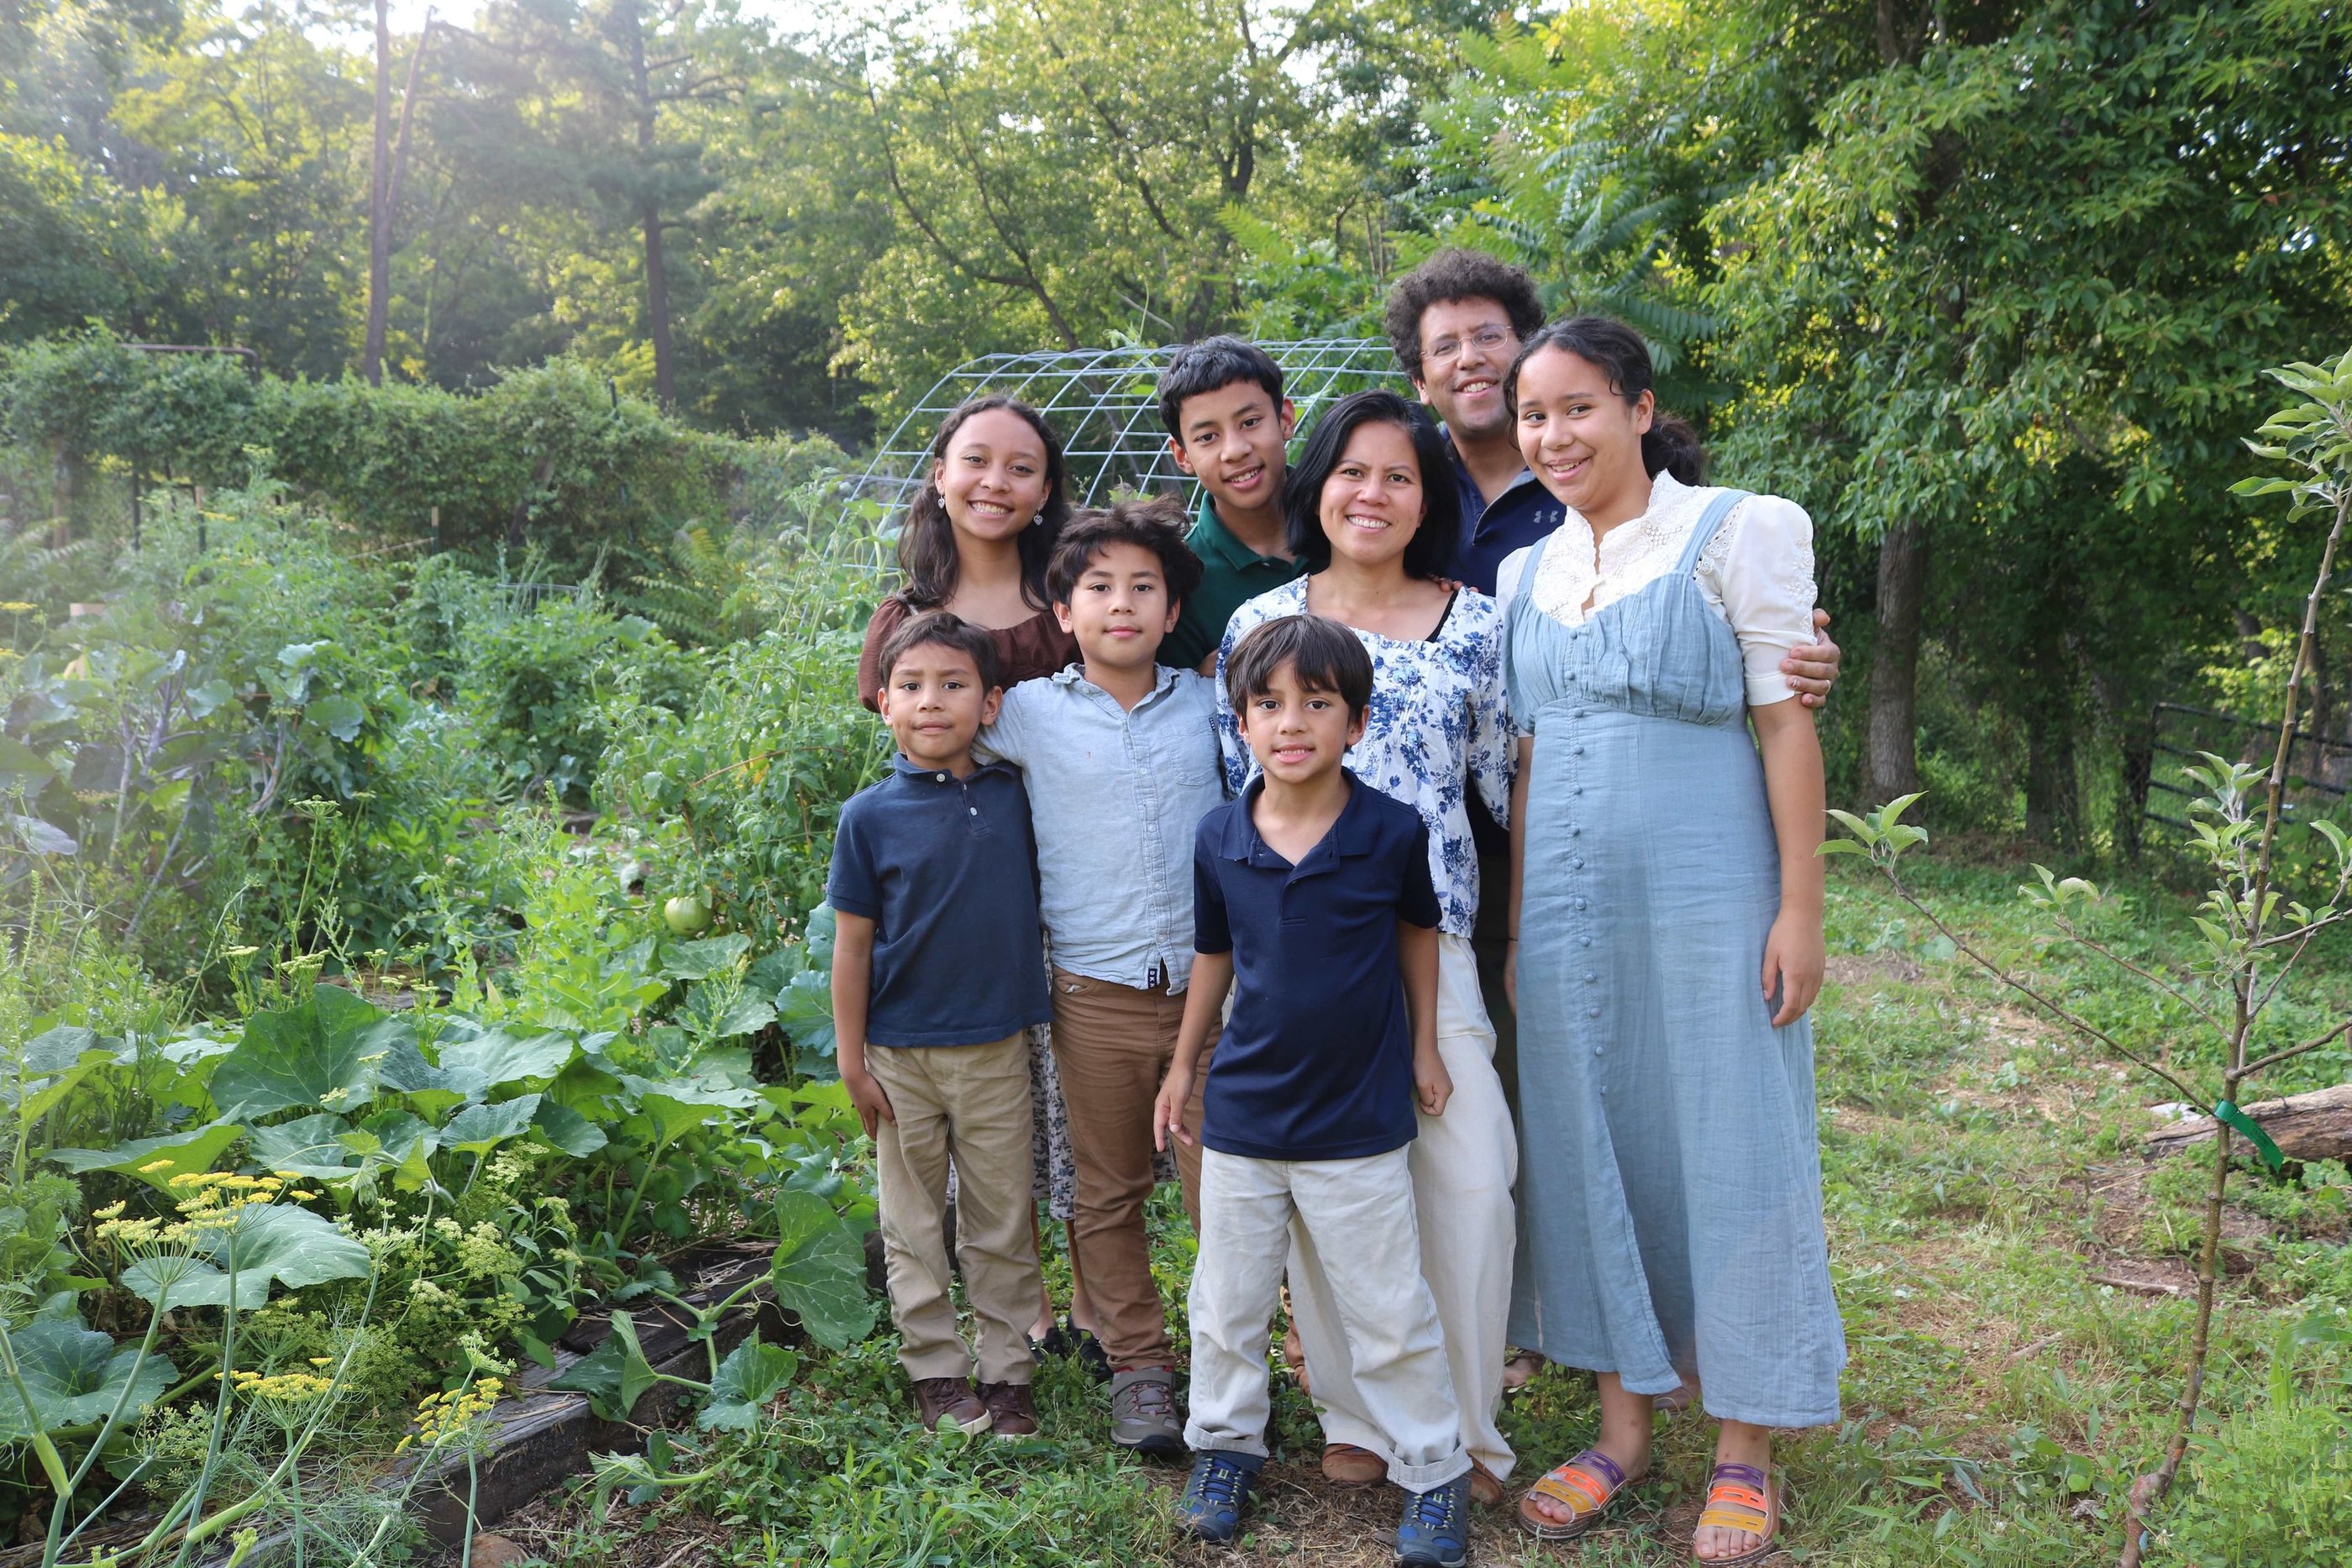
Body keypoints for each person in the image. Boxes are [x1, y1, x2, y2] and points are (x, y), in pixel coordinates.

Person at [1499, 316, 1843, 1563]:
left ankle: (1744, 1445)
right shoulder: (1521, 573)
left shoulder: (1742, 526)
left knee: (1732, 1133)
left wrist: (1800, 907)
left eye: (1577, 407)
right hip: (1569, 905)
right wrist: (1524, 919)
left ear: (1638, 409)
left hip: (1712, 884)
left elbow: (1786, 724)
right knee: (1592, 1139)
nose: (1553, 436)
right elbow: (1528, 759)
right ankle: (1622, 1422)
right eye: (1533, 416)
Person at [1214, 390, 1518, 1503]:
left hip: (1430, 951)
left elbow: (1506, 789)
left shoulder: (1479, 624)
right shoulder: (1258, 627)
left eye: (1399, 474)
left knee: (1471, 1189)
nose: (1372, 493)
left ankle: (1469, 1428)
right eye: (1351, 470)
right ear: (1317, 485)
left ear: (1426, 494)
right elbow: (1232, 796)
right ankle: (1357, 1416)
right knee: (1325, 1199)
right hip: (1296, 965)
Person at [1155, 614, 1474, 1568]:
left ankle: (1432, 1468)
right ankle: (1223, 1447)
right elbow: (1214, 955)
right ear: (1242, 723)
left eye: (1316, 703)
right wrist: (1183, 1064)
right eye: (1268, 704)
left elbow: (1417, 937)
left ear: (1357, 722)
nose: (1291, 722)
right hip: (1246, 1113)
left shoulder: (1388, 832)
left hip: (1356, 1119)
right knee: (1226, 1299)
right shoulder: (1219, 837)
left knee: (1385, 1306)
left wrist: (1425, 1045)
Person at [852, 394, 1100, 1366]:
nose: (996, 482)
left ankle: (1093, 1309)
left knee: (1066, 1113)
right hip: (961, 908)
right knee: (993, 1127)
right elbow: (892, 782)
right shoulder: (906, 622)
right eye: (976, 461)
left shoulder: (1072, 609)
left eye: (1021, 467)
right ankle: (1018, 1312)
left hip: (1072, 887)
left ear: (1046, 491)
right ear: (940, 476)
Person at [976, 498, 1221, 1457]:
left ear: (1170, 612)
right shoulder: (1030, 713)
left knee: (1225, 1189)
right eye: (1098, 589)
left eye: (1143, 588)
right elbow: (927, 714)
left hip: (1213, 995)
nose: (1122, 604)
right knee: (1105, 1191)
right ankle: (1140, 1369)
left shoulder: (1211, 701)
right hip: (1094, 994)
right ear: (1063, 611)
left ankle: (1234, 1358)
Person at [828, 611, 1054, 1439]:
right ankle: (933, 1368)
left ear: (990, 702)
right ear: (883, 702)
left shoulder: (1014, 796)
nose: (933, 702)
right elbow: (851, 950)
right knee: (913, 1221)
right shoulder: (868, 817)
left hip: (995, 1047)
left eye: (954, 685)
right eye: (913, 686)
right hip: (899, 1055)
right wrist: (852, 1063)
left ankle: (1006, 1370)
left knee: (999, 1215)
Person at [1157, 335, 1305, 672]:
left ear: (1285, 418)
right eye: (1208, 437)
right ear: (1182, 455)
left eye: (1250, 422)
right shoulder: (1182, 580)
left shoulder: (1349, 523)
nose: (1235, 450)